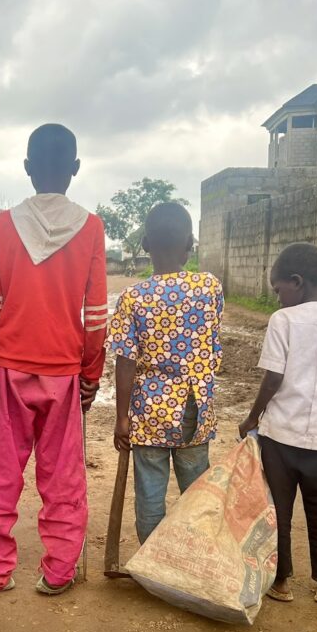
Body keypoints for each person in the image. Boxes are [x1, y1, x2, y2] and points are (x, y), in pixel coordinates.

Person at [0, 123, 107, 595]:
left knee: (1, 469)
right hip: (65, 371)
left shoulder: (5, 225)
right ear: (74, 168)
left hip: (10, 364)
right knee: (62, 474)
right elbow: (94, 315)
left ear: (27, 169)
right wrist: (91, 373)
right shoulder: (91, 228)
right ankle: (58, 571)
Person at [237, 242, 317, 605]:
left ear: (297, 282)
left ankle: (278, 582)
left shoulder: (284, 321)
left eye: (278, 289)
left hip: (278, 437)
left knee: (276, 509)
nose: (278, 299)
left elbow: (273, 378)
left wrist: (252, 417)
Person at [109, 202, 224, 543]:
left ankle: (154, 564)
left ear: (146, 245)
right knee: (197, 492)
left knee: (149, 494)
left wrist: (121, 418)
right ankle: (195, 557)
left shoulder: (133, 297)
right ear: (190, 244)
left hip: (149, 411)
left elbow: (125, 360)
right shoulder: (209, 287)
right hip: (195, 407)